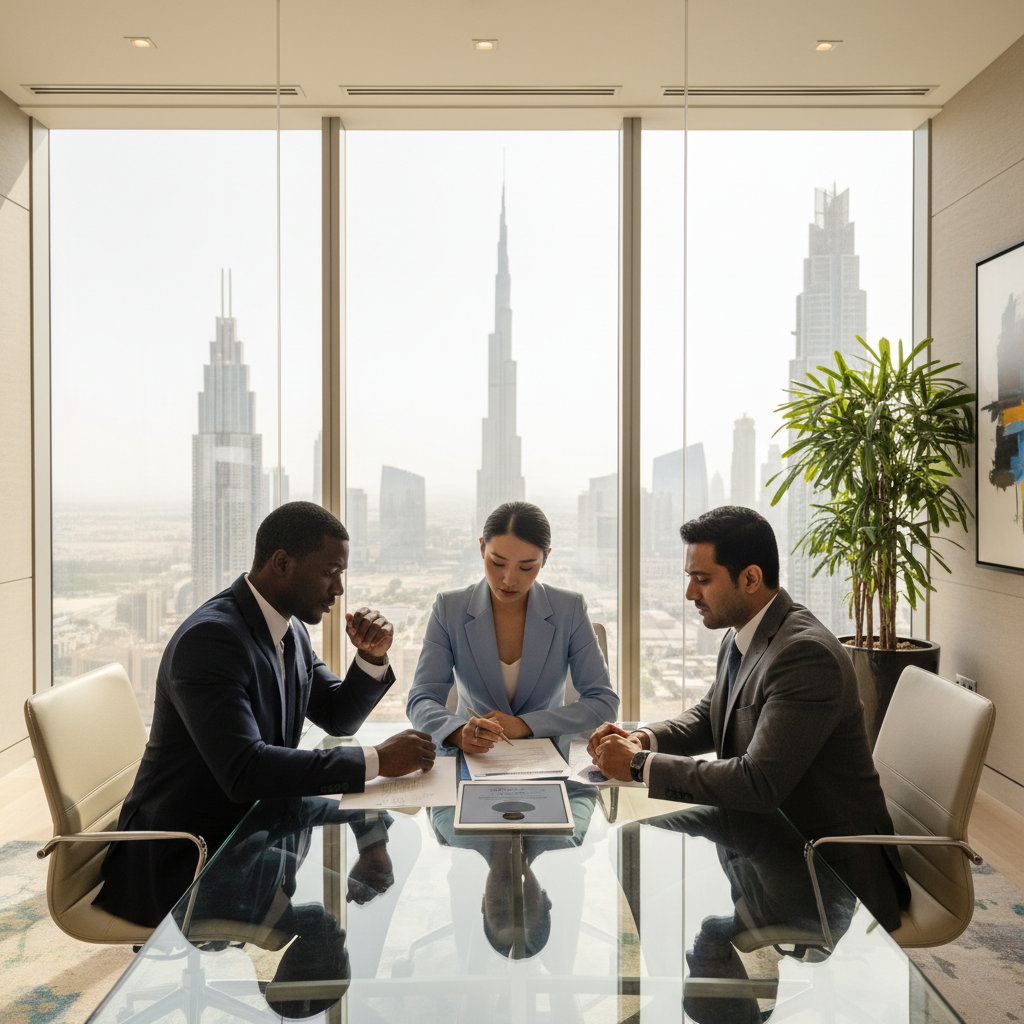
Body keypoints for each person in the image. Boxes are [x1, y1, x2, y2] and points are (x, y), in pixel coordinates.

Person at [97, 501, 436, 927]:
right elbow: (246, 770)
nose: (338, 589)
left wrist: (372, 657)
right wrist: (378, 760)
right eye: (330, 572)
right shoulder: (211, 640)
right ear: (281, 563)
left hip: (255, 821)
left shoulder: (289, 630)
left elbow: (338, 716)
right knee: (327, 924)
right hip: (189, 856)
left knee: (382, 823)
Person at [588, 505, 910, 932]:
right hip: (762, 828)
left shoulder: (805, 655)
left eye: (702, 579)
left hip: (822, 862)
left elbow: (758, 784)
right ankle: (708, 951)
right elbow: (710, 715)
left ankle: (707, 952)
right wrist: (642, 739)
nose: (690, 593)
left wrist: (636, 766)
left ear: (751, 578)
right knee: (633, 845)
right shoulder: (742, 632)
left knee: (665, 887)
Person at [406, 501, 619, 752]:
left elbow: (604, 702)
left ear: (546, 558)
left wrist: (525, 725)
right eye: (497, 563)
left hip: (546, 755)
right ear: (482, 548)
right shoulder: (449, 608)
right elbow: (421, 699)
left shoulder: (569, 609)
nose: (509, 579)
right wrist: (457, 731)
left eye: (526, 567)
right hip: (471, 755)